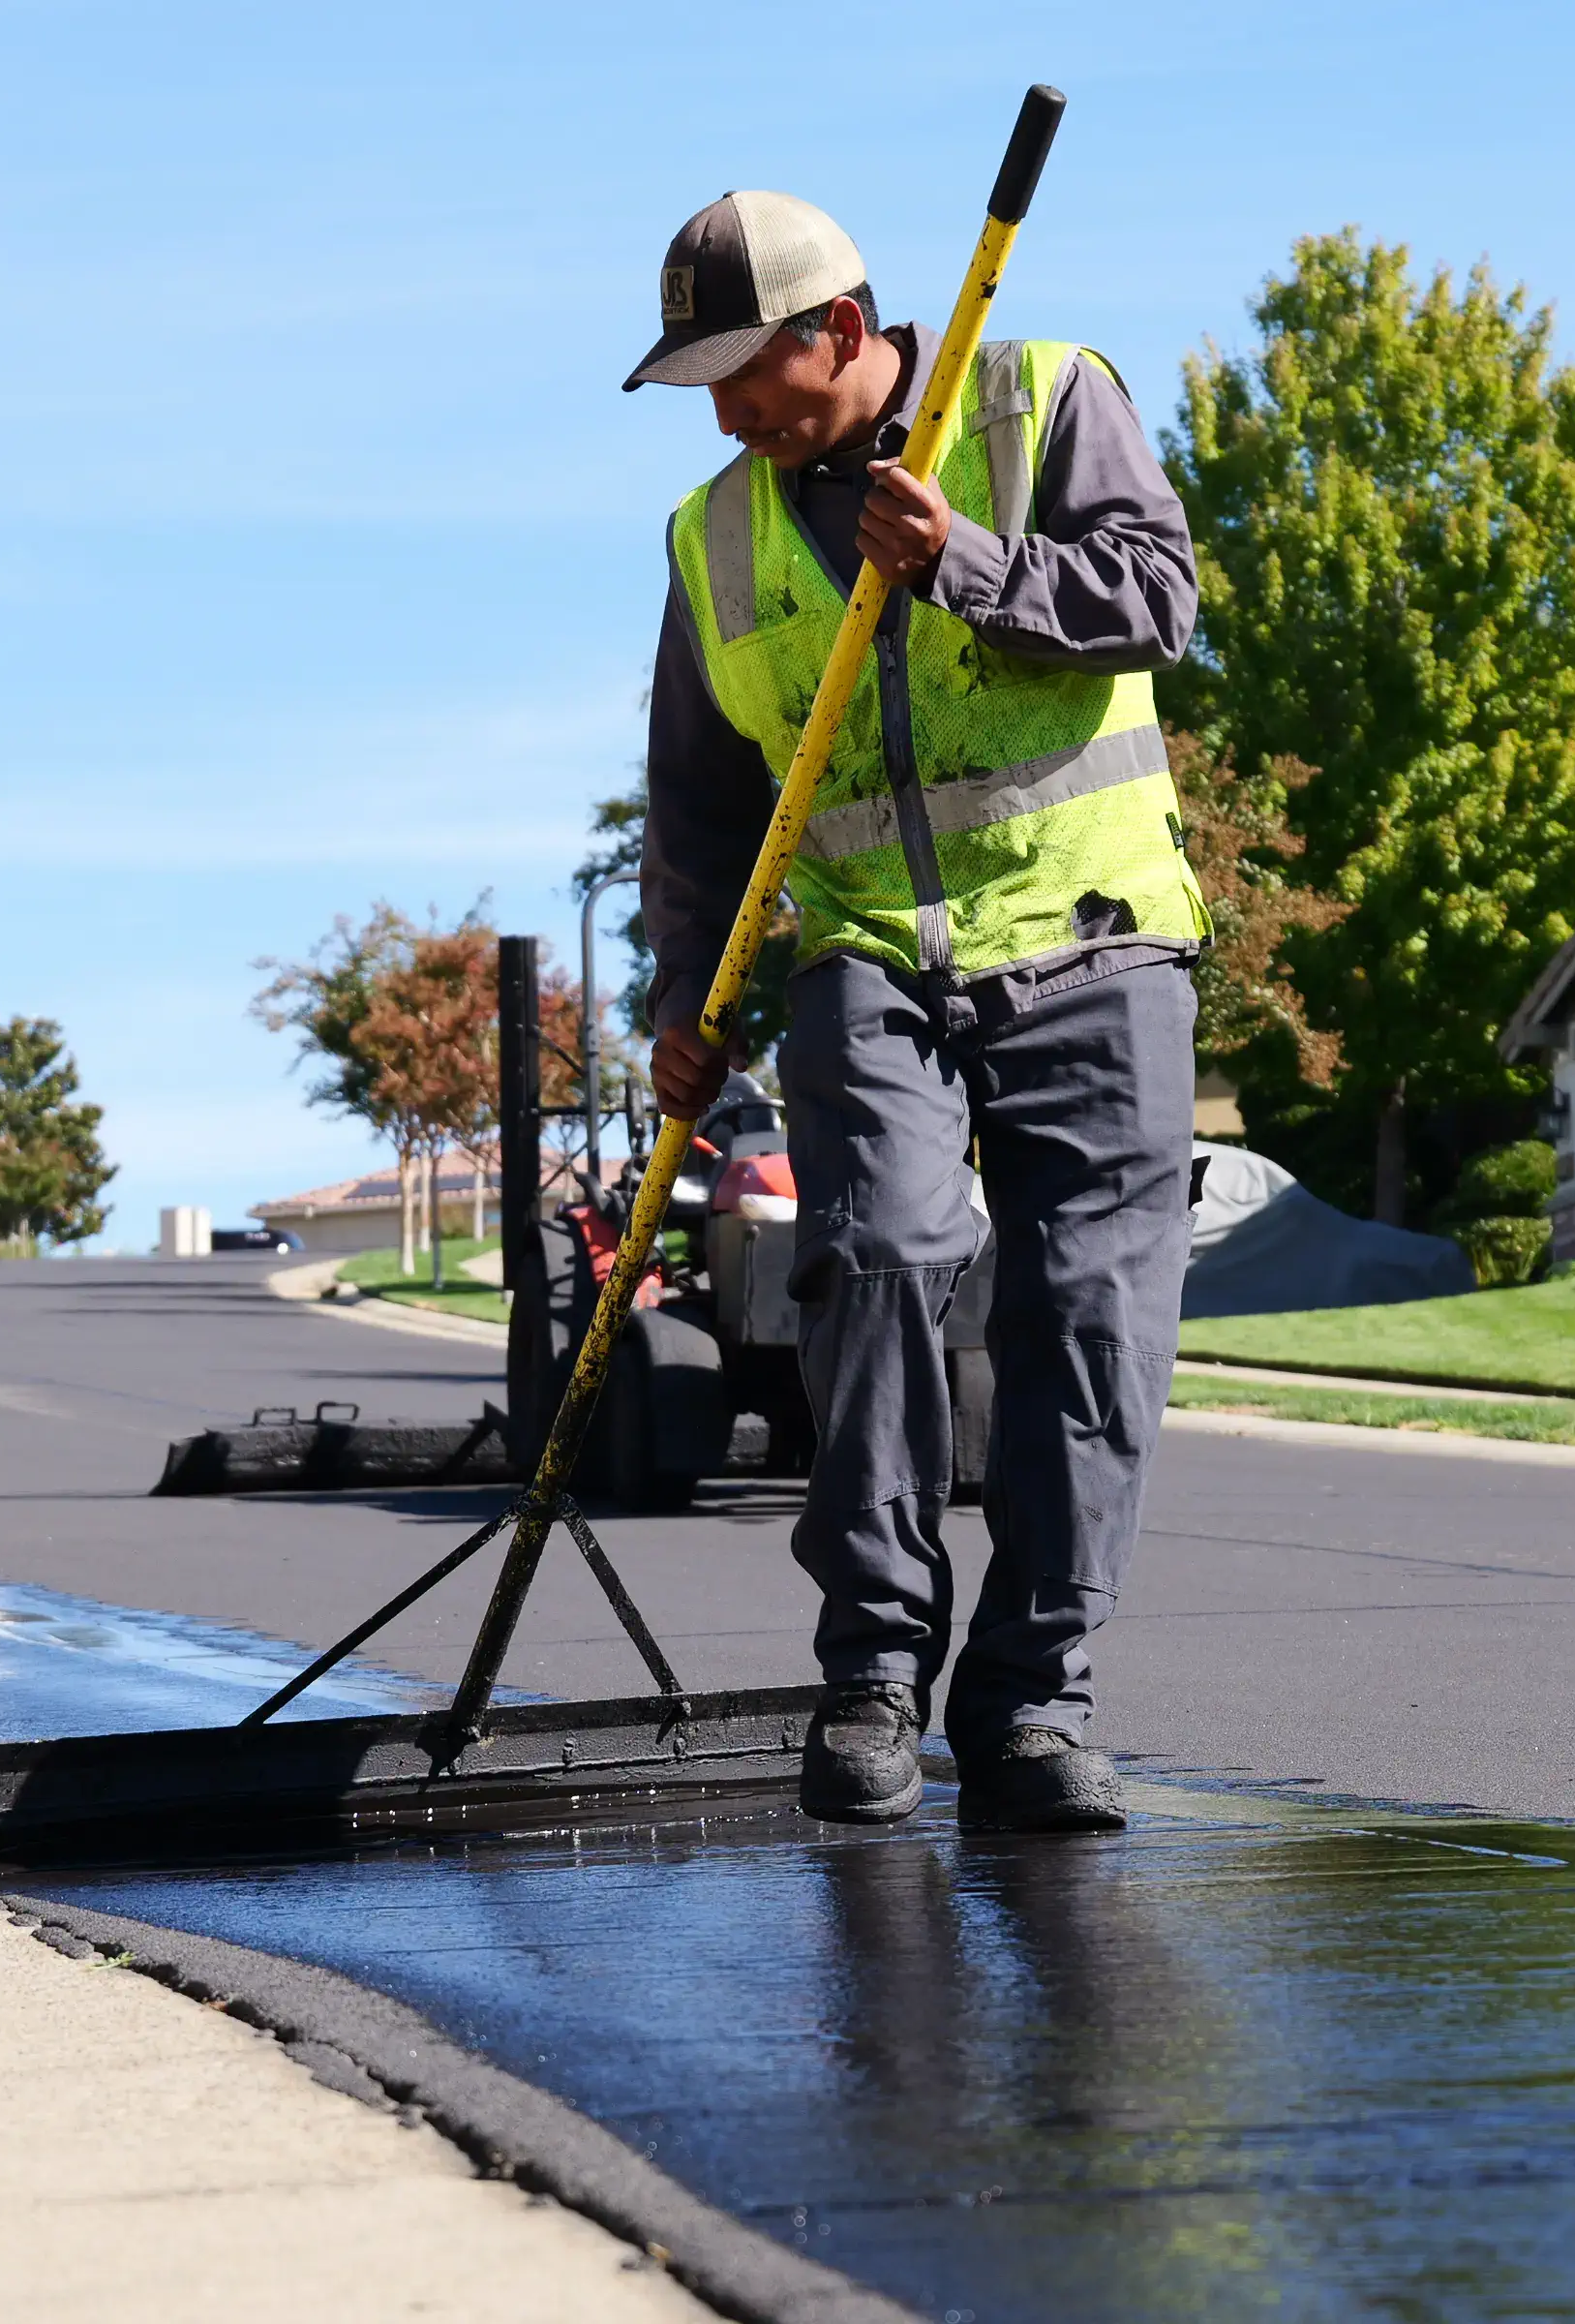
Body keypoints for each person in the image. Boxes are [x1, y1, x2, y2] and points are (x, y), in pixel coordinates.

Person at [624, 189, 1203, 1834]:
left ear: (844, 332)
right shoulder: (710, 537)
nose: (732, 409)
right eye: (706, 382)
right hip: (866, 950)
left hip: (1094, 942)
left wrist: (966, 562)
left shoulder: (1038, 401)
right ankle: (875, 1674)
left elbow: (1157, 600)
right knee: (873, 1257)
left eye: (753, 369)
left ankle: (1031, 1705)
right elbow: (702, 804)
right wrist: (693, 996)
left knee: (1085, 1334)